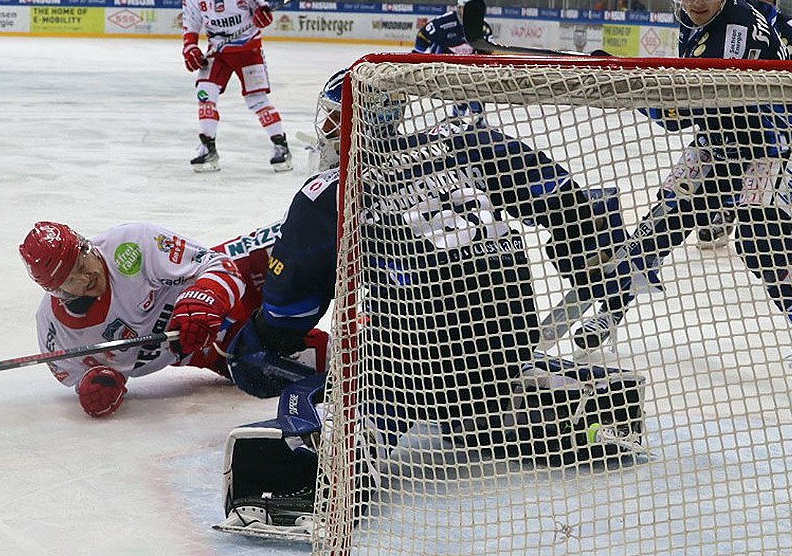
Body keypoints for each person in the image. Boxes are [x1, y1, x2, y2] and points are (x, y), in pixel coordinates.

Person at [213, 70, 646, 538]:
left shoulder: (328, 192)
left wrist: (250, 343)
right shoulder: (462, 141)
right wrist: (585, 256)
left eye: (336, 120)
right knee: (485, 399)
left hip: (414, 354)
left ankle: (319, 474)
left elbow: (288, 314)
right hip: (508, 338)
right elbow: (567, 201)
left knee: (316, 391)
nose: (329, 131)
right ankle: (572, 403)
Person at [573, 0, 792, 402]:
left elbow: (679, 112)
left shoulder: (739, 27)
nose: (696, 1)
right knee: (659, 227)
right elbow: (688, 101)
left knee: (763, 245)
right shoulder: (692, 21)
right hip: (718, 142)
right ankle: (610, 309)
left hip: (769, 144)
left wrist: (625, 86)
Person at [18, 220, 325, 418]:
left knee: (317, 237)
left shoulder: (131, 245)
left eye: (83, 258)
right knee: (329, 362)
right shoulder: (54, 335)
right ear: (56, 291)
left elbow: (223, 267)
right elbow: (85, 377)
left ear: (86, 243)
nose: (87, 275)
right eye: (72, 280)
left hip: (238, 274)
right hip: (213, 345)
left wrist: (202, 299)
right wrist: (99, 384)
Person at [696, 0, 792, 249]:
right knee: (739, 157)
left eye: (765, 1)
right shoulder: (737, 26)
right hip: (764, 111)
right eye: (754, 1)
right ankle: (726, 214)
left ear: (775, 1)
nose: (760, 6)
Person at [181, 0, 292, 173]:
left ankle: (281, 146)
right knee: (205, 94)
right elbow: (191, 22)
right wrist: (190, 47)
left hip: (248, 50)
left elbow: (261, 9)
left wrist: (263, 15)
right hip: (218, 52)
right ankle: (207, 148)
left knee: (258, 101)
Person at [413, 0, 493, 125]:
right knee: (459, 91)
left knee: (475, 90)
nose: (466, 12)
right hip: (444, 66)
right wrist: (417, 57)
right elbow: (423, 35)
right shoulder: (444, 22)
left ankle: (478, 119)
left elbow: (486, 52)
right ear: (458, 8)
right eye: (463, 8)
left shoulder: (483, 28)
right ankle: (458, 119)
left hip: (466, 67)